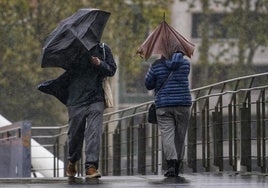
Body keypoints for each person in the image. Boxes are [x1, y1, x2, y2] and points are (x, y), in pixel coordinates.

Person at [65, 43, 117, 178]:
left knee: (94, 132)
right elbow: (67, 70)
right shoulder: (72, 49)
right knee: (75, 133)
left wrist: (100, 63)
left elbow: (112, 70)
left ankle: (91, 166)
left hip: (96, 99)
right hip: (76, 99)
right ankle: (73, 160)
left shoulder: (104, 49)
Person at [145, 52, 191, 177]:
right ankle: (178, 164)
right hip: (183, 103)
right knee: (180, 136)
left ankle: (171, 164)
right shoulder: (186, 64)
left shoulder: (156, 65)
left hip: (164, 104)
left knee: (167, 135)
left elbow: (148, 84)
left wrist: (155, 71)